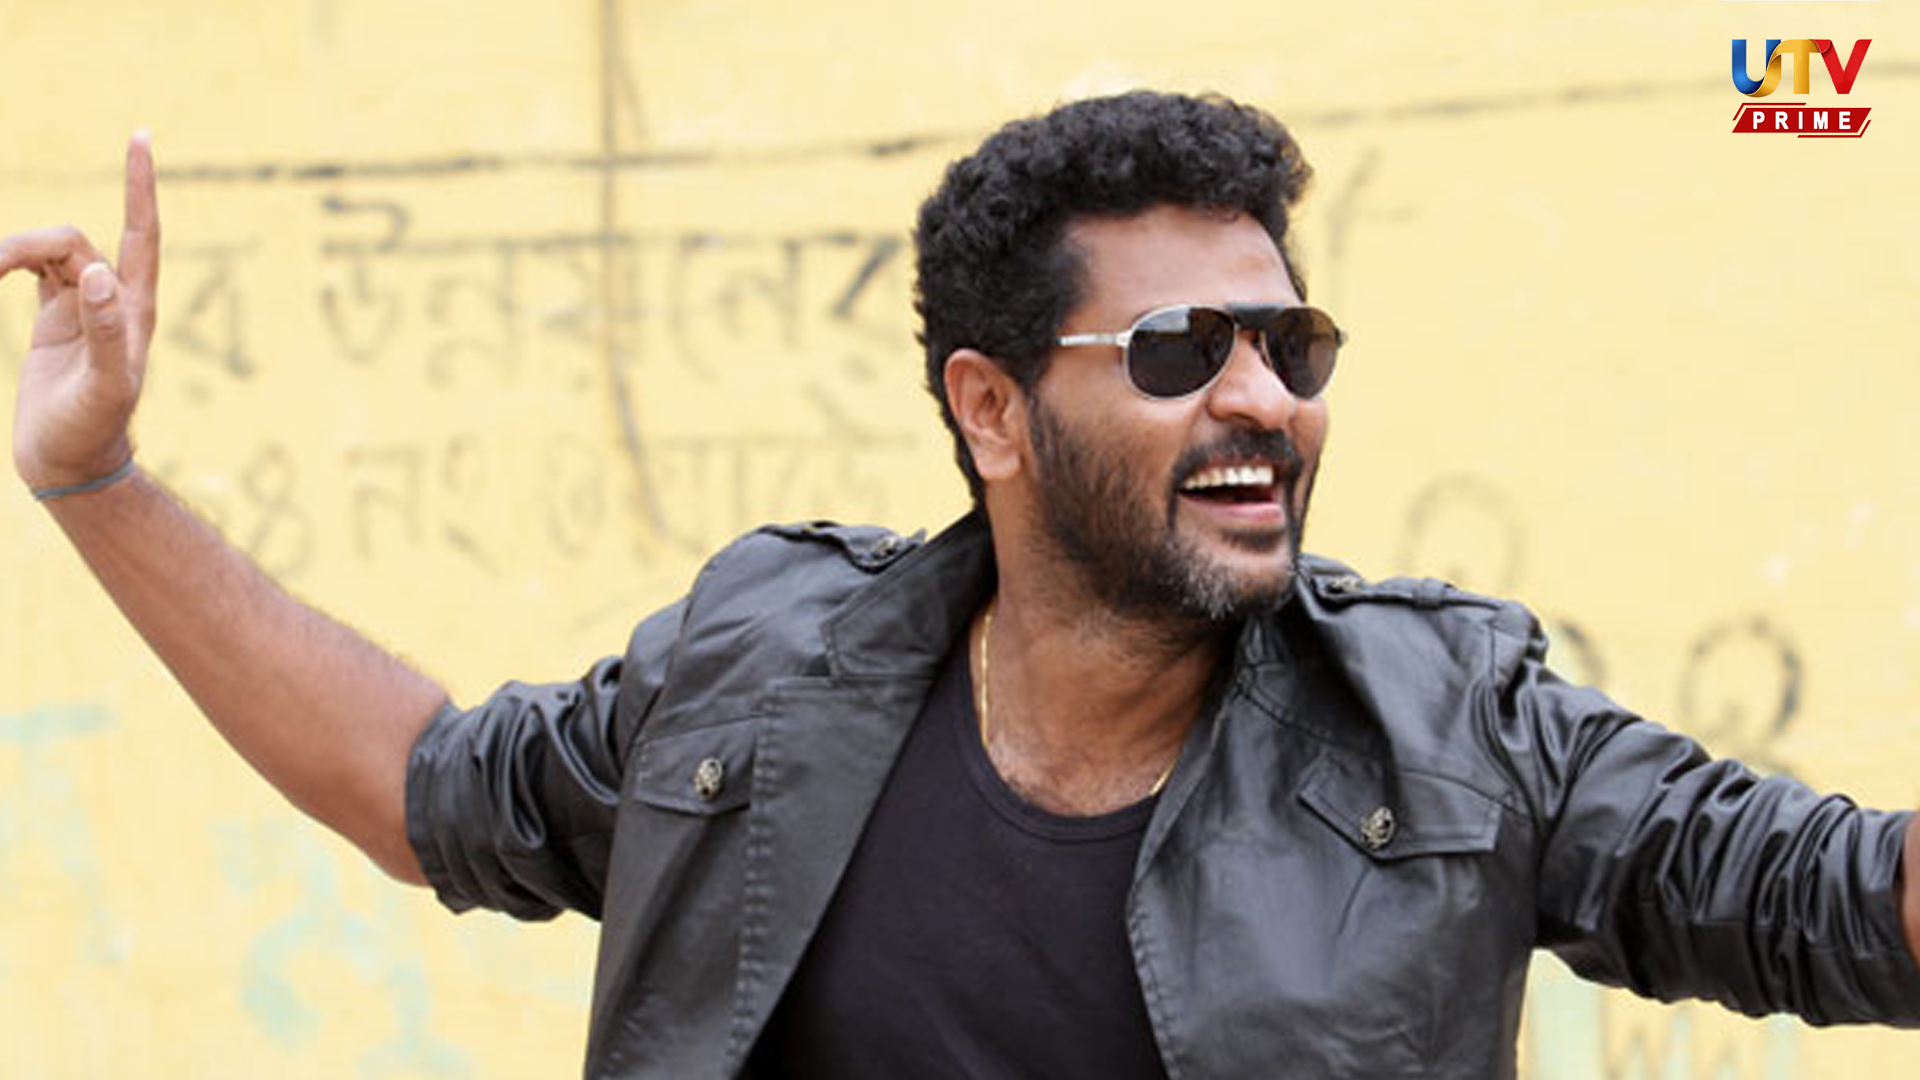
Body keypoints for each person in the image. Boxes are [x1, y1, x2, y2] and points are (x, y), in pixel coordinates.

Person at [4, 92, 1918, 1079]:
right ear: (991, 409)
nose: (1263, 397)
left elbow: (1831, 900)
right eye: (1181, 350)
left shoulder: (1450, 724)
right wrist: (95, 482)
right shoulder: (763, 673)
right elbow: (427, 788)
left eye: (1292, 344)